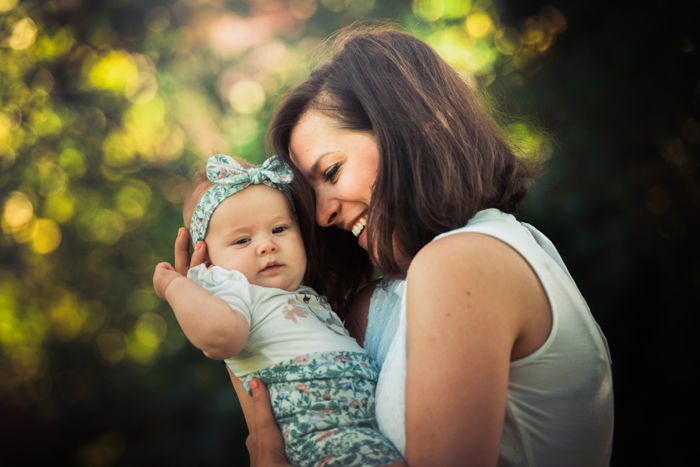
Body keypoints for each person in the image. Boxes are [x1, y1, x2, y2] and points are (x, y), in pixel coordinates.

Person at [172, 27, 614, 467]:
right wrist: (222, 291)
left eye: (331, 172)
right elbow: (272, 403)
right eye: (311, 195)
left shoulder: (465, 261)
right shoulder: (382, 301)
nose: (322, 214)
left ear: (411, 128)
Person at [153, 154, 403, 466]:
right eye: (243, 239)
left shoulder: (305, 296)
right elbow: (221, 337)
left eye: (280, 229)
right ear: (209, 264)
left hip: (358, 426)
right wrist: (176, 286)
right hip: (317, 432)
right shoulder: (232, 290)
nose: (267, 245)